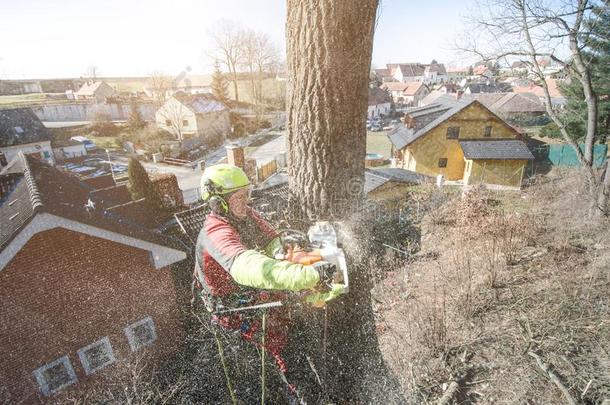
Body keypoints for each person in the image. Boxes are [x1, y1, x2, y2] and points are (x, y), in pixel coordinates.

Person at [193, 163, 334, 388]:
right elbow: (248, 267)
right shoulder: (216, 232)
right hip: (237, 318)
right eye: (238, 197)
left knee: (299, 336)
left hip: (259, 300)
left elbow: (274, 245)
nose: (245, 202)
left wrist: (306, 258)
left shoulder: (246, 215)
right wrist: (304, 275)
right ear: (218, 203)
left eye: (246, 195)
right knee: (281, 364)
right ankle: (300, 392)